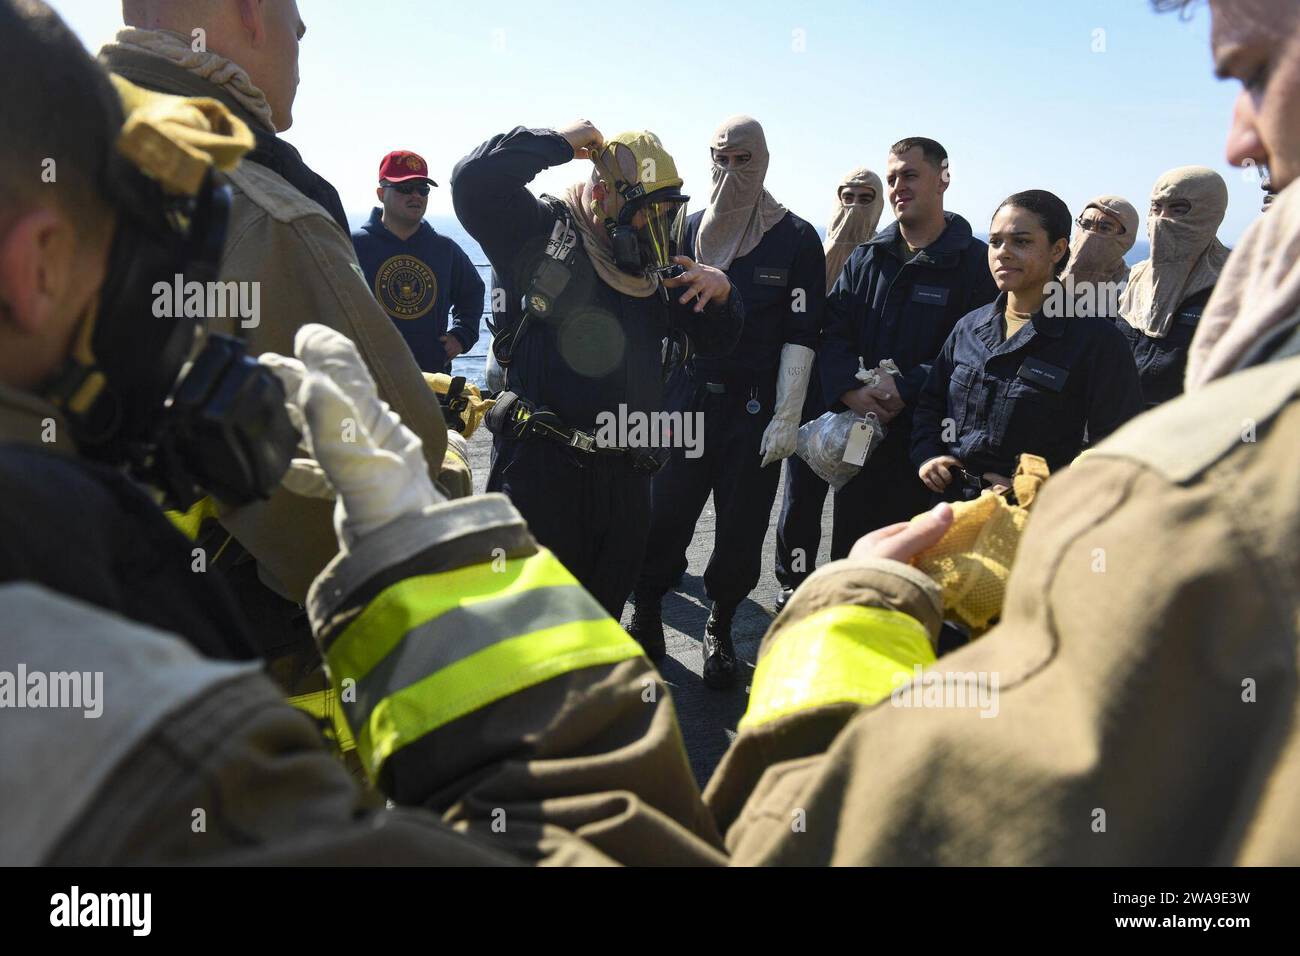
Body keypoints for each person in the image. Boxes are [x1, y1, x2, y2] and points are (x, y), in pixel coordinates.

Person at [101, 0, 472, 721]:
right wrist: (448, 448)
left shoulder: (56, 146)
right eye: (297, 27)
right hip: (233, 690)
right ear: (249, 13)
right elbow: (382, 504)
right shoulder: (265, 211)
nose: (302, 50)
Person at [451, 122, 742, 621]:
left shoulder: (656, 273)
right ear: (602, 194)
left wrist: (723, 295)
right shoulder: (541, 237)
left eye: (666, 215)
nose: (653, 232)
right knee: (528, 631)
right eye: (644, 216)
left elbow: (716, 342)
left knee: (601, 626)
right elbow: (475, 182)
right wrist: (561, 141)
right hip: (542, 478)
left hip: (626, 482)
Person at [629, 116, 823, 684]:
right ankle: (647, 604)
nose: (730, 170)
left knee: (742, 527)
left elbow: (803, 333)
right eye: (720, 159)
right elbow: (650, 318)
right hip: (683, 396)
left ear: (763, 160)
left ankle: (722, 619)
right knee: (663, 512)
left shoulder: (796, 238)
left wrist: (787, 418)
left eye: (742, 159)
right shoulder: (683, 229)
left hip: (755, 406)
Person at [818, 138, 999, 559]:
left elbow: (980, 351)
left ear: (943, 178)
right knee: (854, 555)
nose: (899, 186)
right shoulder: (866, 259)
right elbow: (833, 330)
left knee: (922, 563)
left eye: (911, 175)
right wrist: (848, 388)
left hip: (933, 445)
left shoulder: (977, 265)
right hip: (863, 432)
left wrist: (909, 386)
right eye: (893, 178)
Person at [911, 190, 1143, 501]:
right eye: (995, 242)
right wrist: (930, 454)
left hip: (1036, 522)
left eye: (1021, 242)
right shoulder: (968, 328)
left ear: (1058, 249)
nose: (1002, 253)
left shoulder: (1096, 340)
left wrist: (1039, 488)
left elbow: (1116, 445)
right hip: (952, 508)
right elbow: (933, 404)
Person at [773, 167, 884, 613]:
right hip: (808, 399)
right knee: (801, 493)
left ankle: (843, 580)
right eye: (847, 196)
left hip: (858, 405)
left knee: (853, 491)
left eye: (865, 197)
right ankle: (794, 581)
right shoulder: (810, 256)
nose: (854, 206)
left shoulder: (881, 263)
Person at [351, 150, 485, 375]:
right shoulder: (353, 246)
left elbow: (472, 292)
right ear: (381, 193)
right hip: (368, 382)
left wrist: (461, 335)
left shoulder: (445, 249)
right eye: (404, 188)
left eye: (422, 189)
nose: (416, 195)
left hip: (431, 382)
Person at [1117, 166, 1231, 409]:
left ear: (1210, 213)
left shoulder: (1235, 284)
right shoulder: (1135, 278)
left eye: (1178, 209)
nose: (1162, 220)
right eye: (1156, 208)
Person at [1060, 194, 1139, 289]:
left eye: (1104, 228)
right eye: (1085, 224)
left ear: (1126, 239)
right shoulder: (1049, 271)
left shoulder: (1131, 287)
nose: (1090, 234)